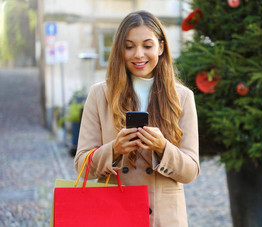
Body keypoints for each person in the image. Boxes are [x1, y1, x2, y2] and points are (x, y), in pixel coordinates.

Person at [74, 10, 199, 227]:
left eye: (147, 46)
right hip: (114, 214)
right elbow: (82, 166)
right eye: (129, 46)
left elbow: (190, 171)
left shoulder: (183, 97)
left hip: (165, 218)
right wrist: (114, 149)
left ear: (161, 47)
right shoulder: (99, 94)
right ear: (119, 50)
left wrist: (163, 148)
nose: (138, 54)